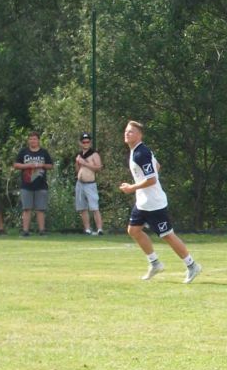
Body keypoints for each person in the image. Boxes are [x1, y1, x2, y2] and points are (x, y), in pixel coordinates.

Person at [119, 120, 202, 283]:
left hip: (154, 204)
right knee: (133, 231)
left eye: (131, 131)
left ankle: (192, 265)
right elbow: (157, 166)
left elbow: (152, 179)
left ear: (139, 135)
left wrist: (132, 187)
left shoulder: (140, 154)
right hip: (143, 203)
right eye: (126, 131)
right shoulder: (137, 151)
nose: (127, 133)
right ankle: (155, 263)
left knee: (167, 236)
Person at [13, 131, 53, 236]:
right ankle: (25, 231)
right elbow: (16, 165)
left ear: (38, 140)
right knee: (26, 209)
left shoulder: (44, 152)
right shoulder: (23, 152)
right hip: (26, 184)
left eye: (34, 139)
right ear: (28, 140)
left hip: (41, 184)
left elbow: (50, 165)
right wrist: (28, 166)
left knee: (40, 209)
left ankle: (42, 230)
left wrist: (41, 165)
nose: (32, 141)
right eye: (30, 139)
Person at [74, 132, 104, 235]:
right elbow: (77, 170)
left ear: (90, 142)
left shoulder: (94, 154)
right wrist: (77, 163)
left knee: (94, 207)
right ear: (80, 143)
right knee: (82, 208)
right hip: (80, 184)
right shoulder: (79, 155)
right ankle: (87, 229)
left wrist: (85, 163)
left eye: (87, 142)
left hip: (90, 184)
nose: (86, 143)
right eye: (84, 142)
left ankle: (99, 229)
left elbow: (98, 168)